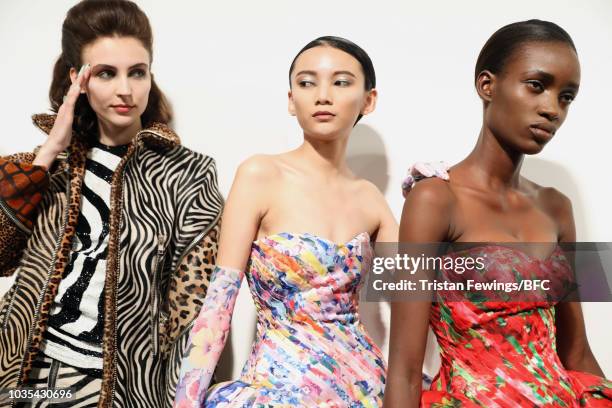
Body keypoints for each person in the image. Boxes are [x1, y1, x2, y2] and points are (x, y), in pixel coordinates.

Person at [0, 1, 222, 406]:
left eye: (137, 72)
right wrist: (50, 150)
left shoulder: (189, 174)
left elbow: (193, 308)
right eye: (106, 73)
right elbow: (0, 257)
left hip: (115, 385)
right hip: (25, 375)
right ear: (78, 79)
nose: (126, 89)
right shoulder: (53, 166)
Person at [384, 20, 612, 407]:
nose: (552, 109)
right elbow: (404, 371)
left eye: (566, 97)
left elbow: (578, 354)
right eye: (537, 85)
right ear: (486, 85)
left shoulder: (558, 207)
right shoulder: (433, 200)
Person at [173, 36, 395, 407]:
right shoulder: (260, 174)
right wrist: (186, 402)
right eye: (307, 83)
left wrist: (433, 193)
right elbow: (217, 306)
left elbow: (417, 292)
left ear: (368, 100)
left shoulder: (371, 199)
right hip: (278, 391)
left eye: (341, 82)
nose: (322, 95)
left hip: (364, 388)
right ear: (292, 100)